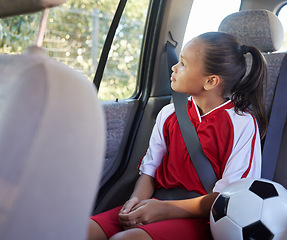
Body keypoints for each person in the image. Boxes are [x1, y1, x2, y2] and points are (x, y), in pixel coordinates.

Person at [87, 32, 268, 240]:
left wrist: (163, 210)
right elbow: (150, 171)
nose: (174, 67)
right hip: (155, 203)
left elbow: (228, 198)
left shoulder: (241, 124)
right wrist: (135, 202)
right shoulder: (169, 113)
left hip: (203, 218)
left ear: (210, 81)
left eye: (183, 64)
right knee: (79, 230)